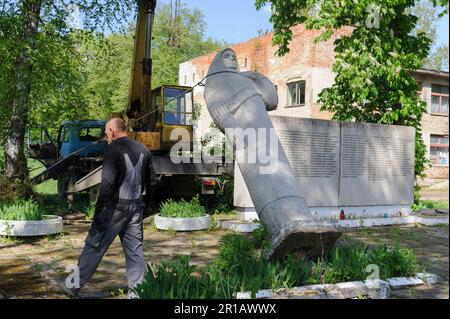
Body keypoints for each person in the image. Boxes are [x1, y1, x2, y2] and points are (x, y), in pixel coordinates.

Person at [62, 118, 157, 298]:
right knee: (135, 252)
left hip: (114, 210)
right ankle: (137, 293)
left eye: (106, 133)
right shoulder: (144, 149)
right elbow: (152, 182)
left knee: (94, 245)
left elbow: (107, 184)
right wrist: (147, 207)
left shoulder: (113, 149)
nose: (107, 137)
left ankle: (73, 285)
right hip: (135, 209)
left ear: (112, 130)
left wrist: (99, 213)